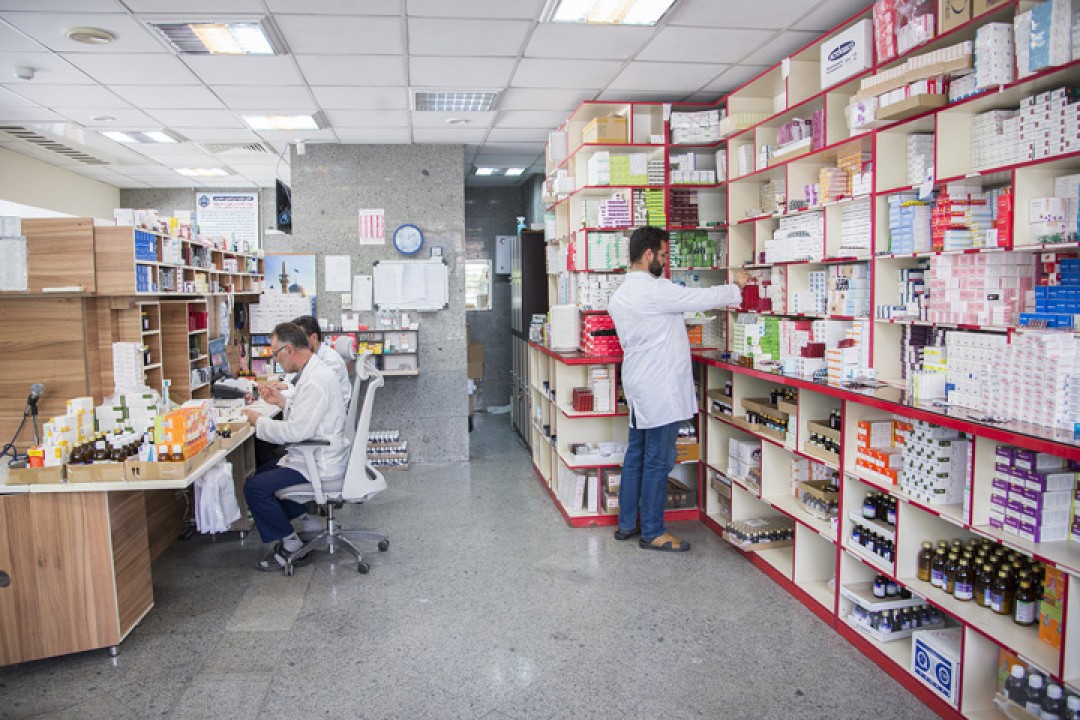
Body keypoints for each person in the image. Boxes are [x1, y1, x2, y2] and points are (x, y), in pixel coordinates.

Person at [607, 226, 749, 552]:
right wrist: (736, 286)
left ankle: (627, 524)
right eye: (662, 254)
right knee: (658, 460)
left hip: (639, 383)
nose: (665, 261)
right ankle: (653, 532)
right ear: (648, 255)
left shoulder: (621, 294)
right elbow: (701, 298)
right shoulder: (656, 290)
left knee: (636, 454)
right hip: (660, 387)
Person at [242, 322, 349, 571]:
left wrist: (260, 422)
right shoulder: (312, 372)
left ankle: (292, 546)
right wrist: (282, 402)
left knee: (254, 488)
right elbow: (308, 416)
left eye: (275, 354)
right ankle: (307, 522)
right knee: (265, 471)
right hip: (315, 454)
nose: (276, 360)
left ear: (288, 349)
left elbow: (296, 432)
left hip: (318, 461)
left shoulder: (315, 380)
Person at [291, 315, 352, 410]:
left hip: (330, 411)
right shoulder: (312, 356)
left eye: (300, 340)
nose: (296, 345)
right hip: (320, 406)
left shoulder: (331, 360)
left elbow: (316, 392)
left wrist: (287, 393)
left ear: (314, 337)